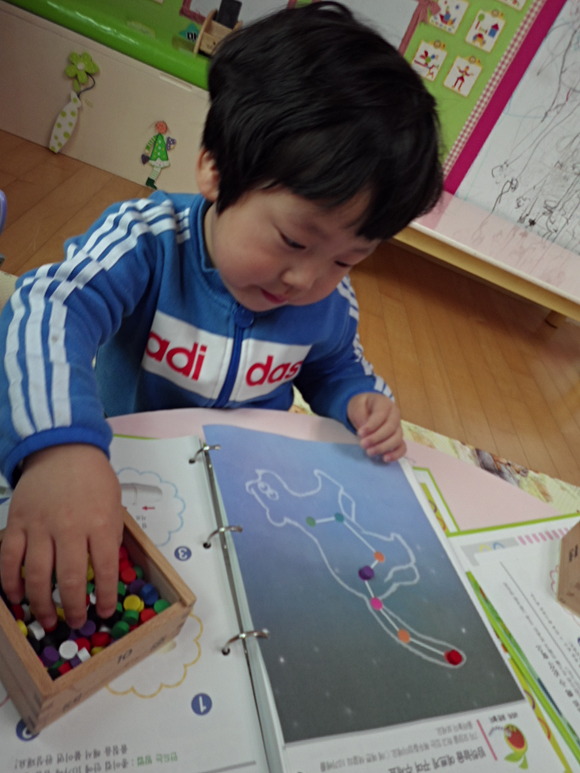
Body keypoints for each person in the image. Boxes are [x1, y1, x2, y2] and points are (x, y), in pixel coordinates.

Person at [0, 2, 442, 631]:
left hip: (246, 497)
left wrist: (360, 400)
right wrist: (62, 447)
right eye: (293, 241)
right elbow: (48, 306)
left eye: (348, 258)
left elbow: (334, 366)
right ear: (215, 167)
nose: (306, 280)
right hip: (115, 472)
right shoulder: (148, 241)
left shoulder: (327, 300)